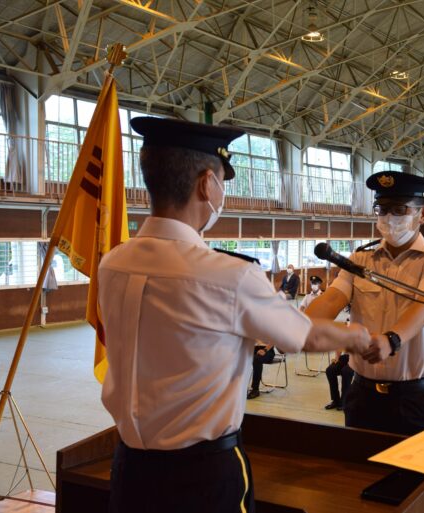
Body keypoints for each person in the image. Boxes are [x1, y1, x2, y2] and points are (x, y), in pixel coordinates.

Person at [98, 117, 371, 513]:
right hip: (203, 476)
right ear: (207, 184)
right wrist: (359, 336)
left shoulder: (113, 264)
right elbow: (304, 336)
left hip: (130, 470)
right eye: (221, 183)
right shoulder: (230, 276)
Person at [305, 171, 424, 436]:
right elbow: (332, 298)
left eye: (399, 209)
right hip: (362, 395)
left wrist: (391, 340)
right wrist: (296, 326)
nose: (389, 218)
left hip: (415, 399)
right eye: (382, 209)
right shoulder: (360, 259)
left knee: (415, 478)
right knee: (359, 475)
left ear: (422, 214)